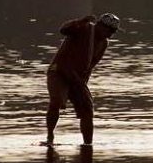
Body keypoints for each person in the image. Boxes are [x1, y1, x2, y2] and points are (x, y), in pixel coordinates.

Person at [45, 13, 120, 146]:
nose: (110, 35)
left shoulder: (103, 43)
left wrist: (82, 83)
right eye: (110, 31)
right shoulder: (83, 28)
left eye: (113, 32)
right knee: (56, 102)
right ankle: (50, 136)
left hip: (77, 78)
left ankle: (87, 145)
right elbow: (63, 30)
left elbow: (91, 64)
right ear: (100, 26)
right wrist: (81, 21)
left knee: (87, 110)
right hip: (59, 72)